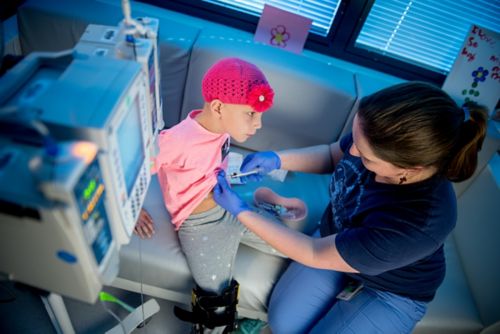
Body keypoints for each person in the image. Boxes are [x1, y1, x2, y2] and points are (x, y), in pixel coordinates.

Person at [213, 81, 488, 333]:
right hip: (337, 240)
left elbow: (314, 252)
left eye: (365, 156)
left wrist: (241, 211)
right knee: (283, 323)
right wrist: (276, 159)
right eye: (355, 142)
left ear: (408, 169)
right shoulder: (373, 135)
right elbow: (333, 153)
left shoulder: (420, 222)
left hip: (392, 291)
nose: (352, 153)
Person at [133, 57, 279, 333]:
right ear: (218, 107)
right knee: (216, 307)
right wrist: (132, 209)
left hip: (232, 207)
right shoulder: (177, 141)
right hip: (200, 225)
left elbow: (209, 163)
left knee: (288, 243)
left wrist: (239, 172)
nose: (258, 124)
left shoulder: (221, 129)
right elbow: (135, 167)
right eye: (251, 114)